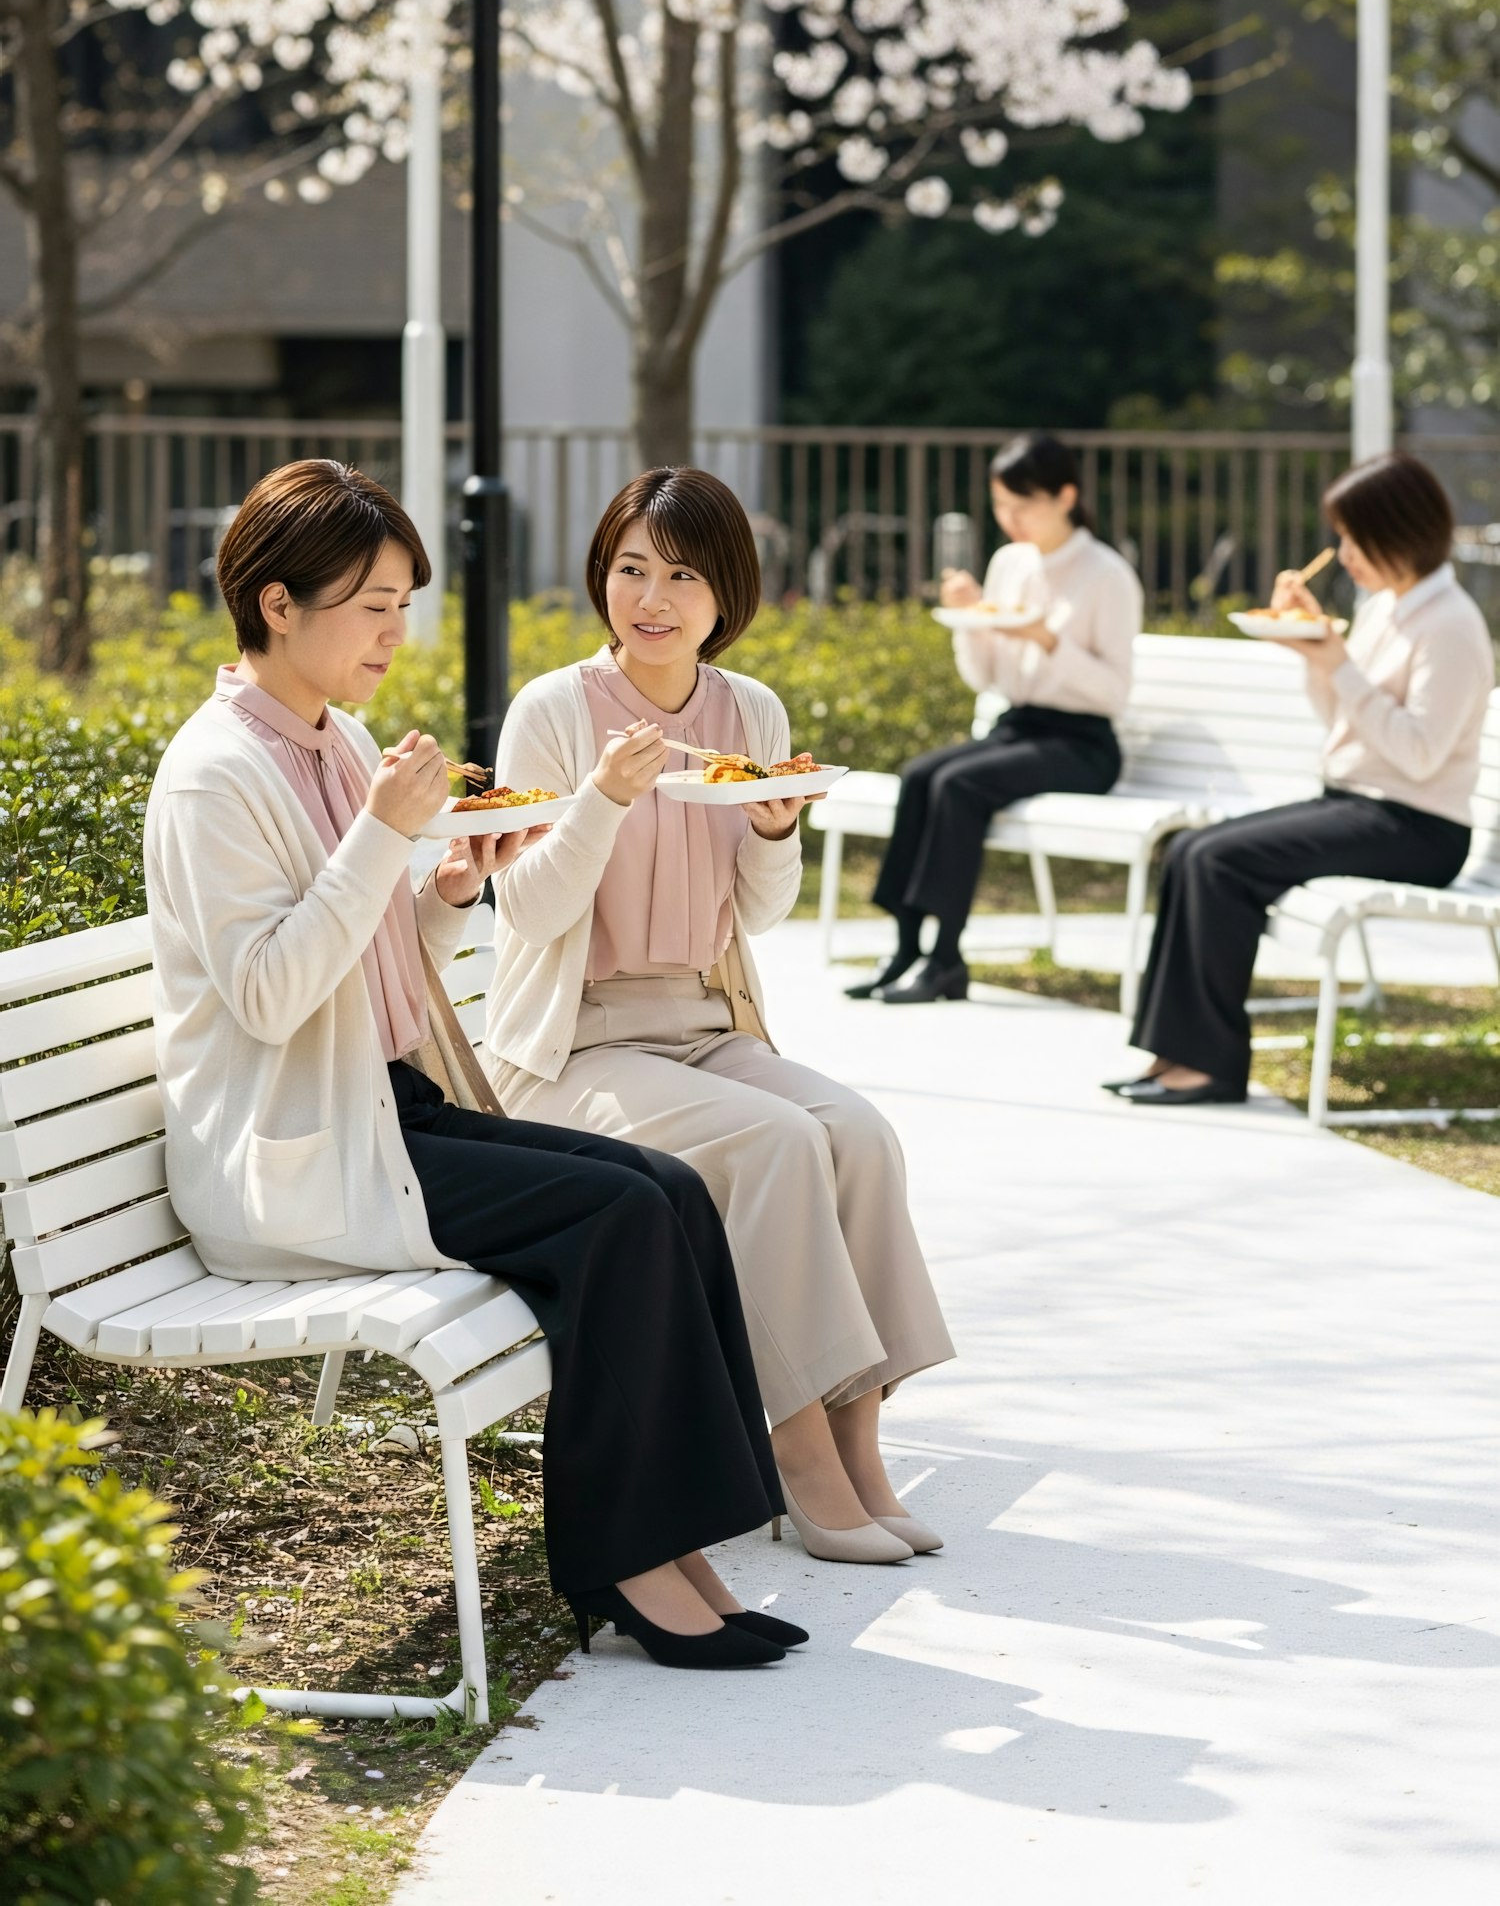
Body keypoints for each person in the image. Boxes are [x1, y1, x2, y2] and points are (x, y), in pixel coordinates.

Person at [145, 458, 801, 1672]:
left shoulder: (331, 736)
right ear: (278, 605)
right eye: (374, 605)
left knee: (667, 1189)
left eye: (404, 601)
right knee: (616, 1211)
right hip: (297, 1147)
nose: (398, 633)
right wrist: (390, 833)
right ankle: (629, 1562)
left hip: (383, 1107)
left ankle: (680, 1540)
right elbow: (273, 993)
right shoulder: (214, 772)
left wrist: (441, 892)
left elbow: (368, 953)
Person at [480, 466, 955, 1569]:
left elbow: (759, 912)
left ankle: (861, 1445)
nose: (650, 595)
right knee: (779, 1144)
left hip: (703, 1020)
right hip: (572, 1043)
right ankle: (798, 1457)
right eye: (631, 568)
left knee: (858, 1134)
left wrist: (777, 829)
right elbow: (531, 906)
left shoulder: (750, 712)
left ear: (724, 589)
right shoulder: (555, 709)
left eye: (682, 574)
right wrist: (600, 798)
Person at [1116, 450, 1493, 1107]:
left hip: (1416, 826)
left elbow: (1421, 755)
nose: (1344, 553)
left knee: (1221, 862)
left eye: (1354, 537)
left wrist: (1338, 661)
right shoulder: (1386, 608)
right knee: (1188, 851)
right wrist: (1317, 656)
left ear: (1398, 532)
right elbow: (1339, 721)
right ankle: (1172, 1052)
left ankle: (1212, 1065)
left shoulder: (1452, 625)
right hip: (1359, 804)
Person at [852, 431, 1143, 1004]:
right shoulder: (1010, 563)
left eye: (1023, 505)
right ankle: (908, 943)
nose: (1010, 520)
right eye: (1001, 506)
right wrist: (971, 621)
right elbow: (984, 678)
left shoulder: (1107, 575)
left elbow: (1113, 692)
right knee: (920, 774)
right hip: (1018, 725)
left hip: (1084, 742)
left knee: (960, 785)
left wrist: (1046, 639)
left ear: (1065, 496)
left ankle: (946, 957)